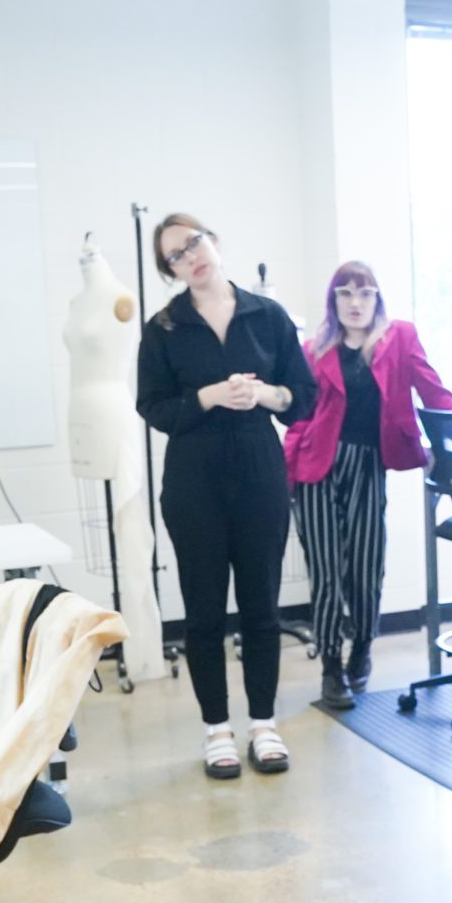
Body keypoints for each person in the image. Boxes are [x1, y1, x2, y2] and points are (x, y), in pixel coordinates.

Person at [136, 214, 316, 779]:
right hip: (194, 482)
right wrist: (210, 396)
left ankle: (264, 724)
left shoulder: (268, 315)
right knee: (205, 613)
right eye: (175, 255)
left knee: (263, 607)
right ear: (169, 271)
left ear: (213, 241)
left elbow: (303, 396)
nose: (191, 256)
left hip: (260, 472)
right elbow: (154, 408)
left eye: (194, 243)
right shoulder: (163, 328)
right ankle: (217, 729)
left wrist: (264, 394)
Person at [283, 262, 452, 708]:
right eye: (345, 293)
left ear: (377, 299)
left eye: (364, 294)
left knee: (365, 568)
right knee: (326, 574)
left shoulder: (399, 338)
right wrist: (284, 474)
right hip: (317, 468)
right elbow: (300, 418)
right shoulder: (314, 350)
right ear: (334, 302)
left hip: (368, 465)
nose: (355, 303)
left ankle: (361, 648)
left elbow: (432, 390)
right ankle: (330, 666)